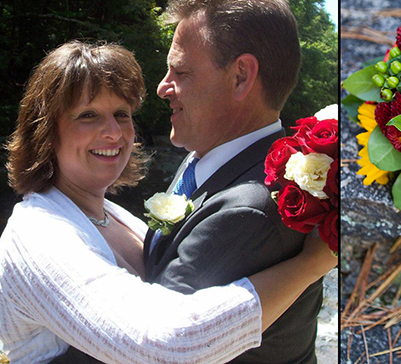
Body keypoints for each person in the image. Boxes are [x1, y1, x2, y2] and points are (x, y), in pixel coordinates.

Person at [0, 41, 338, 364]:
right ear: (45, 130)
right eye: (88, 115)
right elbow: (162, 346)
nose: (114, 133)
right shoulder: (38, 234)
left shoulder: (114, 216)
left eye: (121, 114)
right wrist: (309, 266)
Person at [141, 0, 324, 363]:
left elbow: (146, 342)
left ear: (240, 76)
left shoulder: (251, 208)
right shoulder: (207, 158)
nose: (163, 86)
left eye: (181, 71)